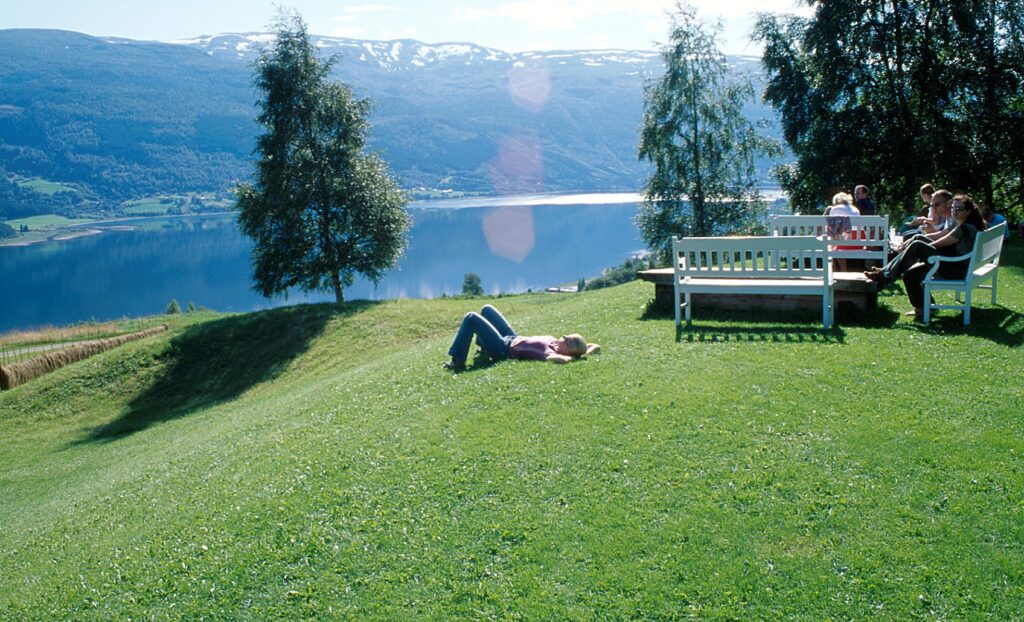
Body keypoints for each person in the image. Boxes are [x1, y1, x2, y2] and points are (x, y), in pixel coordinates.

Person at [865, 194, 987, 320]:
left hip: (954, 269)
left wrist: (917, 247)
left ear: (968, 211)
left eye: (959, 209)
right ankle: (923, 308)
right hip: (954, 264)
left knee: (917, 245)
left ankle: (884, 275)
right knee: (910, 274)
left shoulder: (964, 228)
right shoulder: (962, 224)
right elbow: (940, 236)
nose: (954, 211)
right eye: (953, 208)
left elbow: (939, 243)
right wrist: (916, 239)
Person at [444, 304, 600, 370]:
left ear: (567, 351)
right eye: (567, 336)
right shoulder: (554, 342)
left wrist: (572, 358)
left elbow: (562, 360)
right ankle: (484, 348)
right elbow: (595, 346)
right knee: (487, 309)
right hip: (511, 337)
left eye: (567, 340)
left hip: (503, 349)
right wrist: (583, 353)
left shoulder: (549, 353)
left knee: (471, 317)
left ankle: (457, 361)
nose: (564, 336)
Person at [824, 192, 861, 272]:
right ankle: (843, 270)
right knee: (836, 242)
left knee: (832, 245)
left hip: (845, 242)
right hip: (858, 243)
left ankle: (833, 270)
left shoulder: (835, 209)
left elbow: (832, 227)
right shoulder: (855, 209)